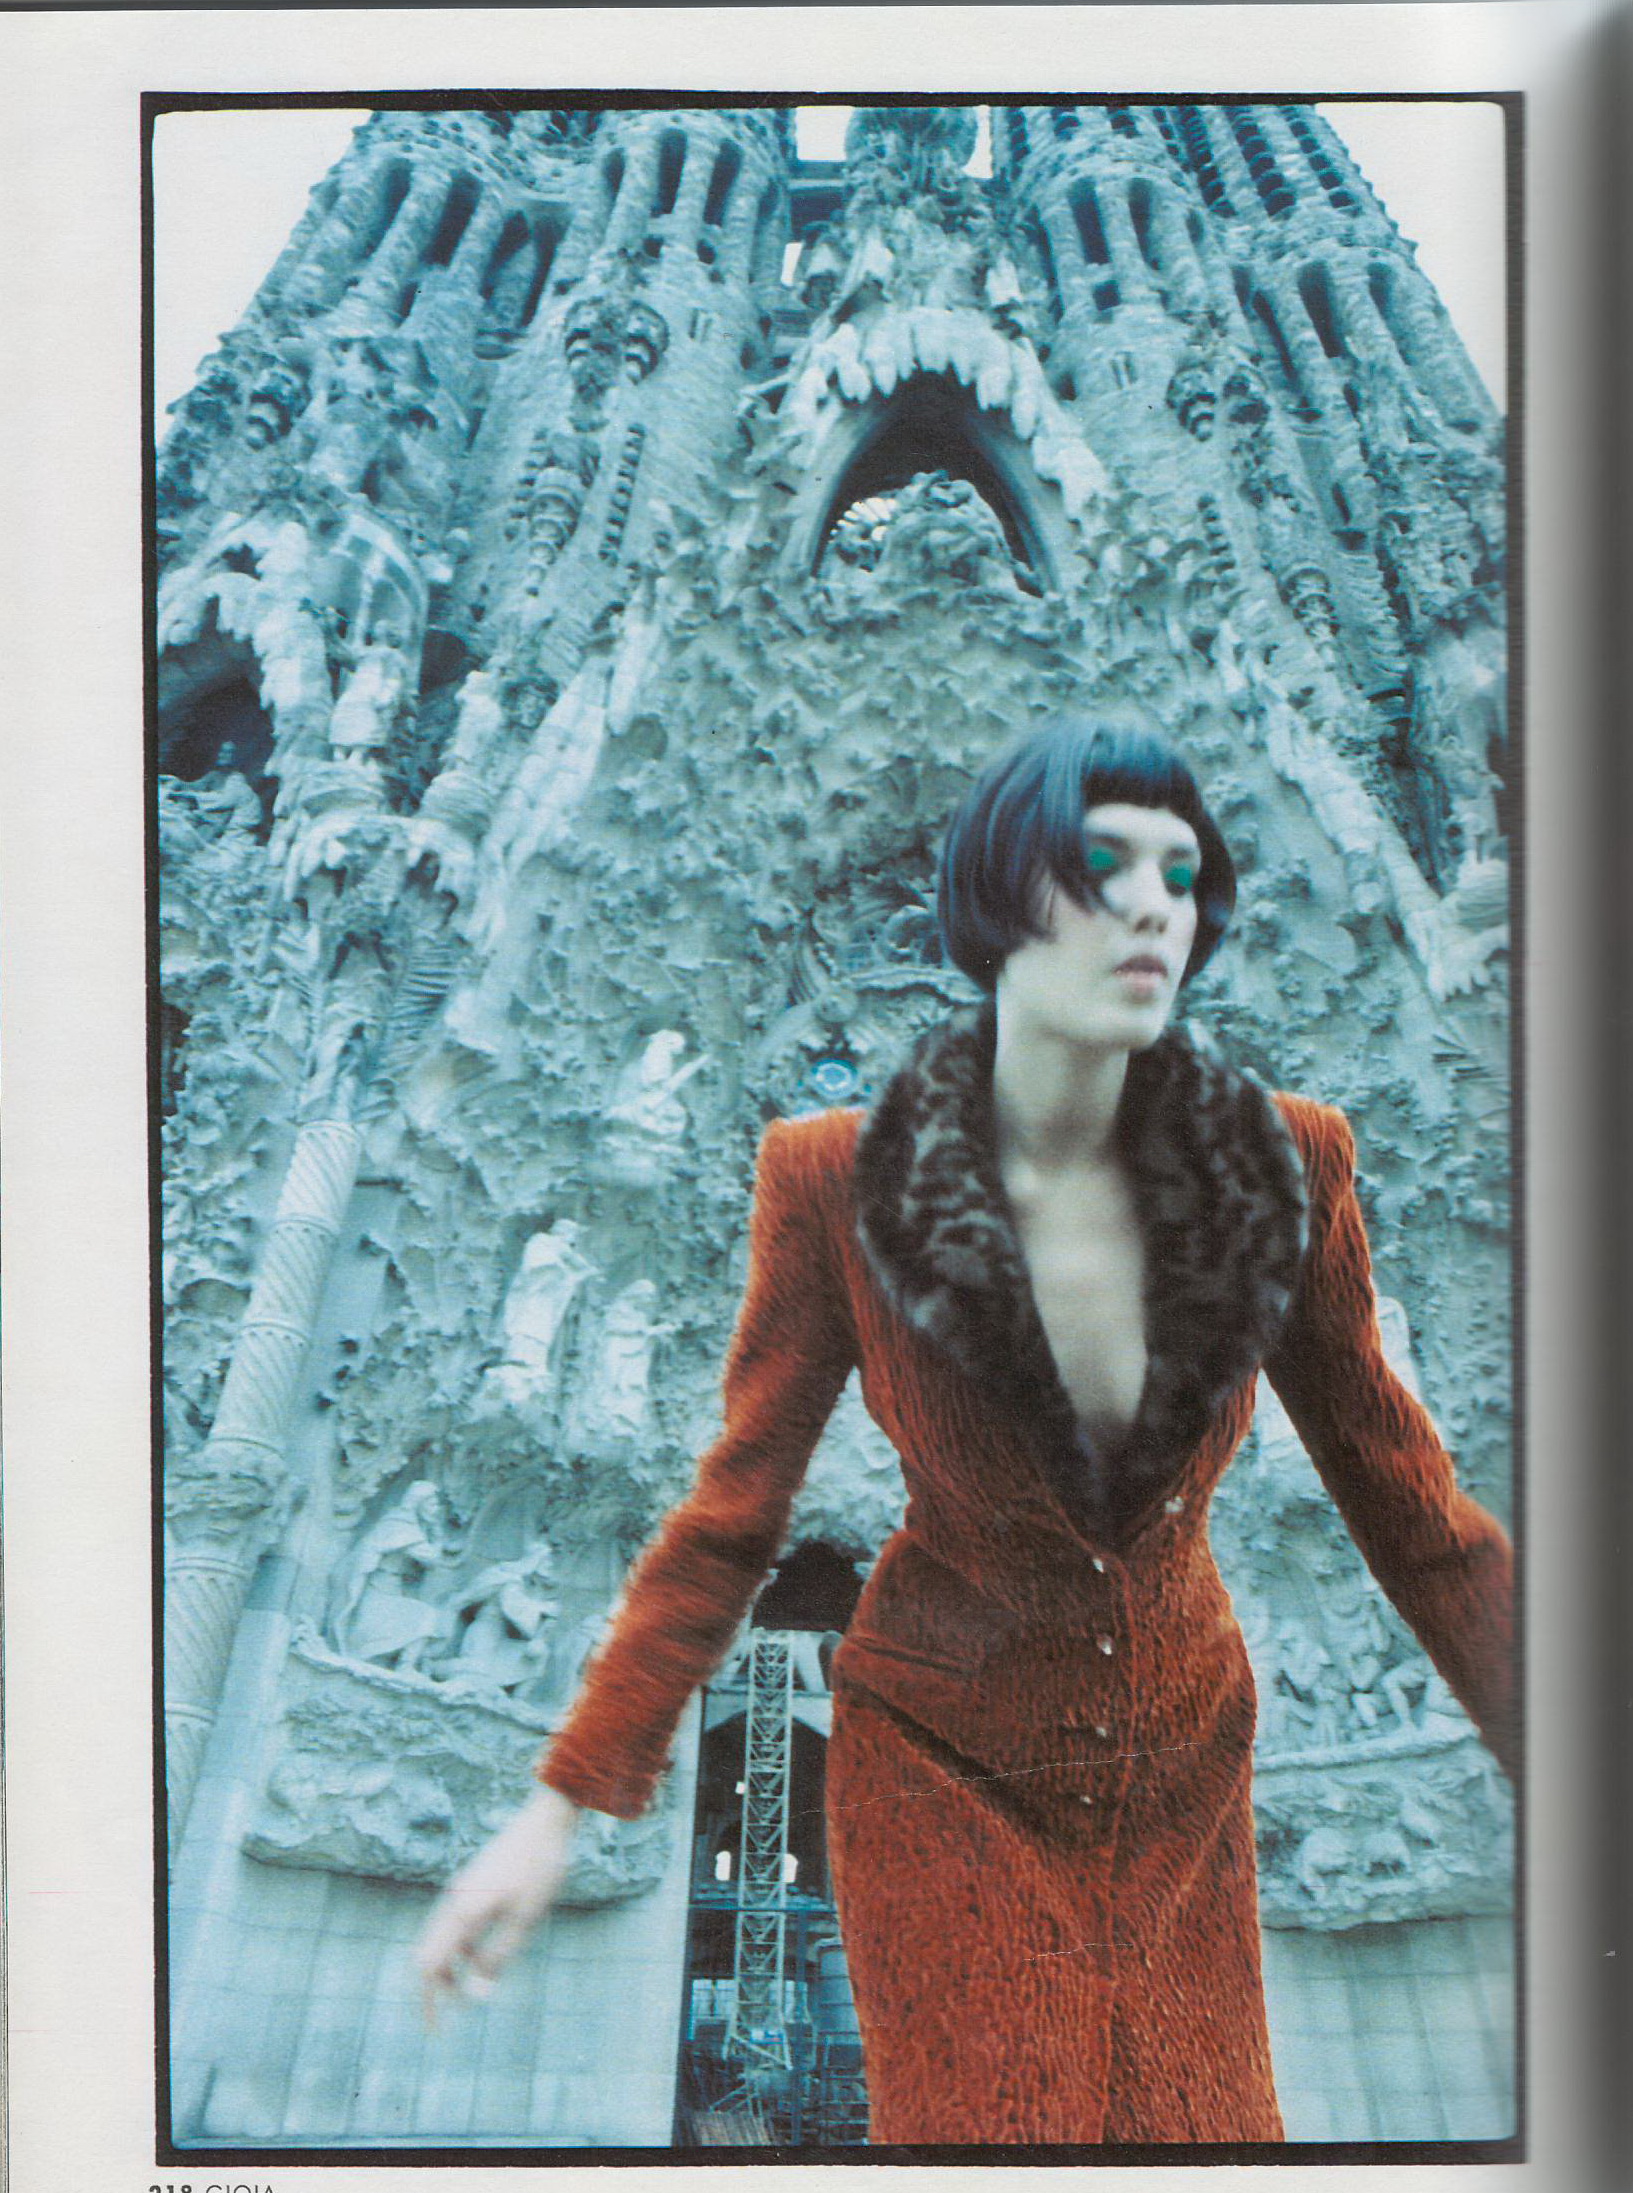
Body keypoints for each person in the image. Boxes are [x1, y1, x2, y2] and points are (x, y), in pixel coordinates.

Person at [415, 715, 1515, 2143]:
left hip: (1181, 1768)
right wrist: (559, 1806)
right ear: (1000, 896)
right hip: (945, 1766)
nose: (1152, 906)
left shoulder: (1292, 1160)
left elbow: (1414, 1513)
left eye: (1181, 873)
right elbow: (731, 1517)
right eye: (1101, 864)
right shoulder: (828, 1177)